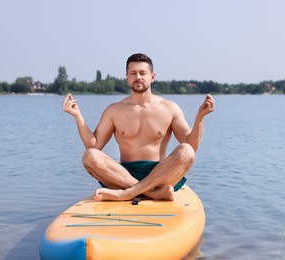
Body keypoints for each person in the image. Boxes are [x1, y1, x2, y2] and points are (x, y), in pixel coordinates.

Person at [63, 53, 215, 202]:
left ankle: (126, 194)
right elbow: (94, 145)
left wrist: (199, 118)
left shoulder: (169, 108)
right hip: (121, 175)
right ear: (127, 77)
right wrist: (78, 116)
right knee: (90, 155)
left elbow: (192, 147)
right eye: (133, 73)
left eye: (143, 73)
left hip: (161, 174)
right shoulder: (114, 110)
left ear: (152, 76)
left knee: (186, 151)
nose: (138, 77)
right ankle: (152, 194)